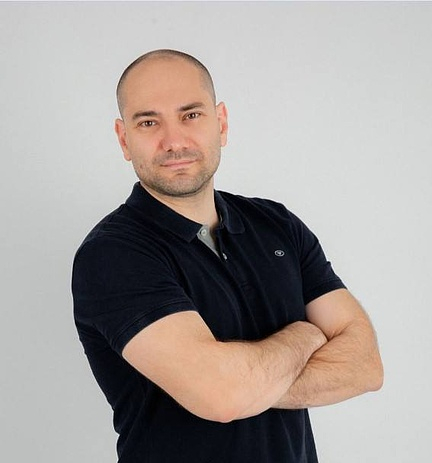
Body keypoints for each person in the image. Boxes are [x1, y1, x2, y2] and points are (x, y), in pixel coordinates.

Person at [72, 49, 383, 463]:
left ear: (221, 122)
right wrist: (305, 336)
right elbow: (222, 396)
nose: (174, 141)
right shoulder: (113, 254)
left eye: (191, 115)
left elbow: (366, 366)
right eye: (148, 122)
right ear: (123, 138)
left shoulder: (277, 225)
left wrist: (243, 383)